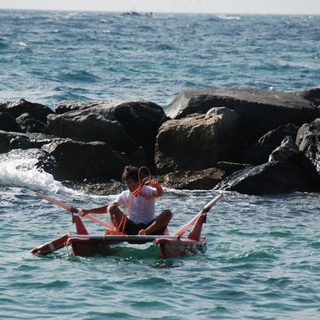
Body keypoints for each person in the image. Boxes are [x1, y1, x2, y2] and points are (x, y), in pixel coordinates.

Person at [80, 166, 172, 235]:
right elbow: (109, 208)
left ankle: (144, 233)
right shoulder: (125, 194)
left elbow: (159, 193)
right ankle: (116, 231)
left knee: (168, 213)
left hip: (147, 228)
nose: (127, 185)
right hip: (130, 227)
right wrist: (89, 211)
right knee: (111, 207)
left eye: (130, 182)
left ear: (138, 182)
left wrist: (157, 186)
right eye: (126, 183)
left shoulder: (147, 191)